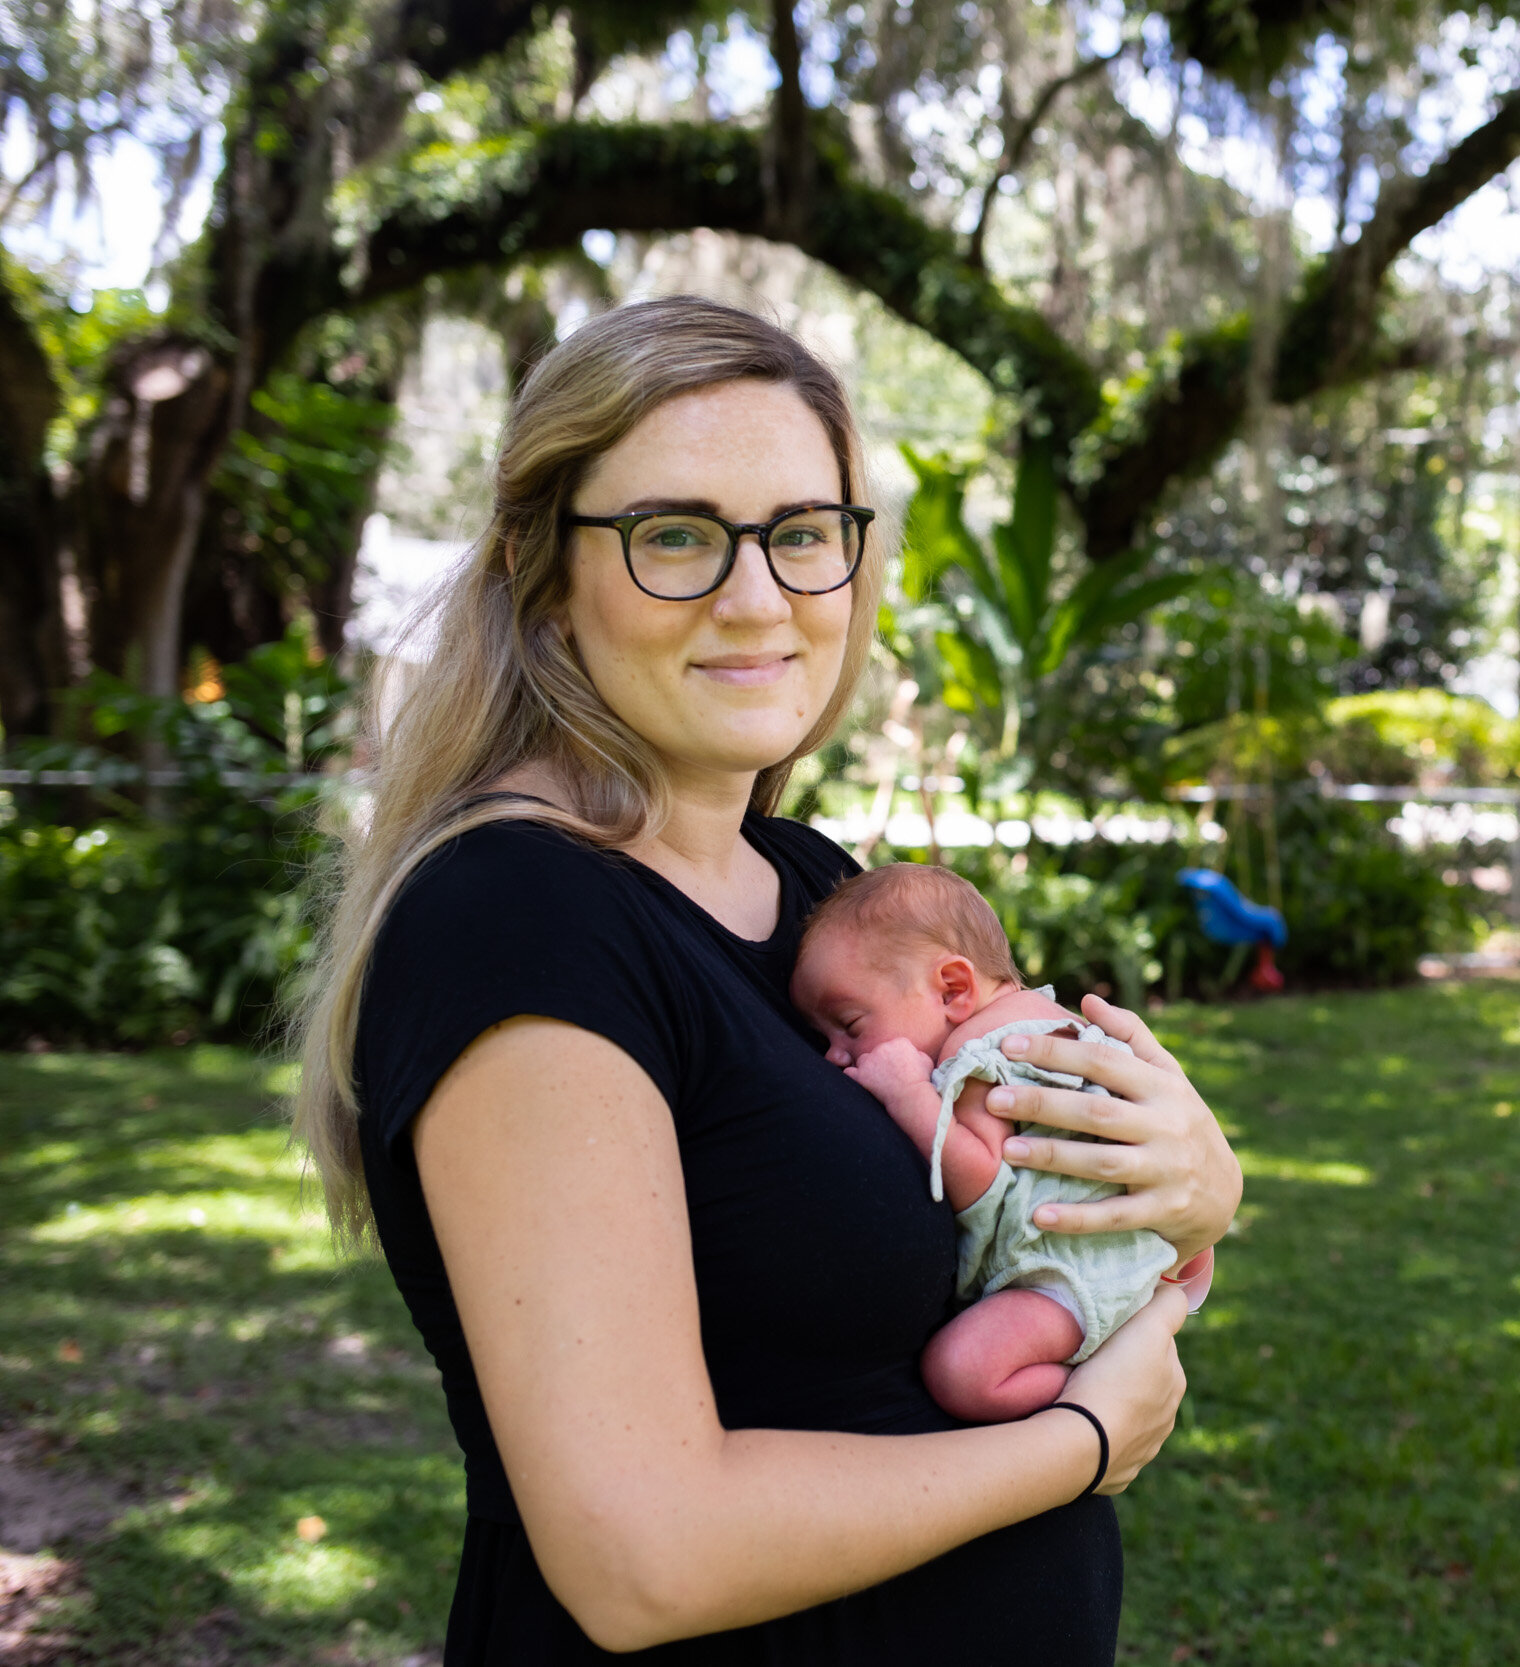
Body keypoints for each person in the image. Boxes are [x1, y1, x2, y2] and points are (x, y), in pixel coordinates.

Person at [288, 295, 1243, 1664]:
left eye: (803, 534)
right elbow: (642, 1553)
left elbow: (1005, 1186)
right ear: (543, 575)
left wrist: (1202, 1182)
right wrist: (1078, 1442)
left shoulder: (804, 889)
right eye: (676, 534)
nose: (759, 596)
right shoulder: (517, 915)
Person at [792, 862, 1217, 1423]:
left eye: (850, 1024)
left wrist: (907, 1094)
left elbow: (983, 1180)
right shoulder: (1047, 1019)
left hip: (1065, 1277)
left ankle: (1094, 1389)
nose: (834, 1055)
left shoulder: (981, 1054)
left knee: (962, 1370)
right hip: (1122, 1254)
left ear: (953, 989)